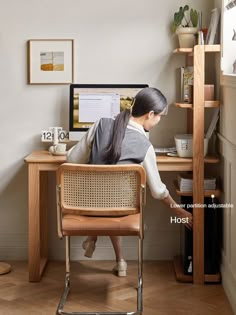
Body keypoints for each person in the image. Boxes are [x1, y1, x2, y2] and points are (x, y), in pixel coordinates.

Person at [67, 87, 193, 277]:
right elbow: (158, 191)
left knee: (105, 196)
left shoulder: (100, 125)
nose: (159, 121)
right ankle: (113, 255)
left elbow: (72, 160)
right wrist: (179, 210)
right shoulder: (145, 146)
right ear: (150, 114)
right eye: (160, 117)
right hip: (121, 210)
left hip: (87, 205)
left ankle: (95, 240)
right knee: (114, 200)